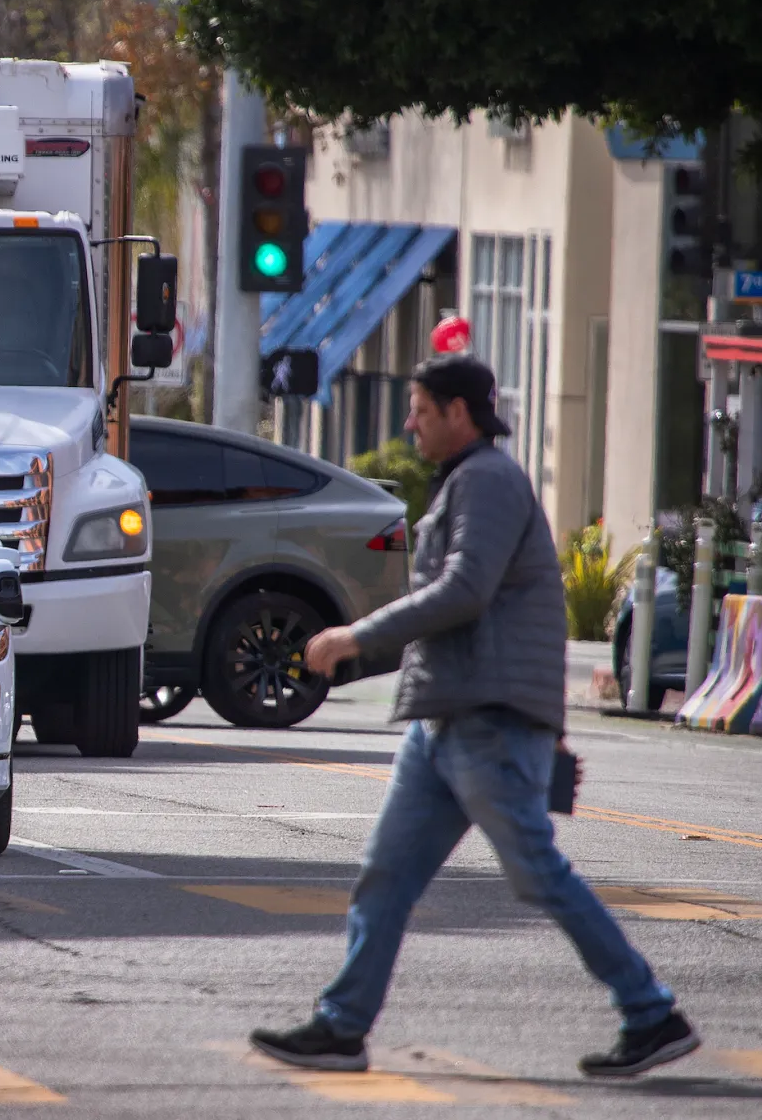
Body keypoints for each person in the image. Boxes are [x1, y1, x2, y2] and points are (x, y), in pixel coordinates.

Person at [249, 353, 699, 1078]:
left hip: (489, 719)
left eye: (421, 410)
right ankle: (341, 1025)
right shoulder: (469, 480)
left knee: (537, 874)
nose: (410, 423)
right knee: (386, 874)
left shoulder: (489, 480)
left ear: (459, 412)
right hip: (446, 718)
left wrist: (355, 636)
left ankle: (652, 1012)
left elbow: (465, 589)